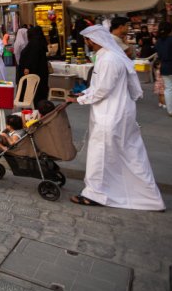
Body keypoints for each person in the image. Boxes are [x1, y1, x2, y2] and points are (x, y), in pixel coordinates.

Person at [67, 25, 165, 210]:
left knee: (102, 154)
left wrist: (80, 99)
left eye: (88, 40)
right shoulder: (109, 56)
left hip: (110, 113)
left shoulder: (109, 59)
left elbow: (103, 89)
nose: (87, 44)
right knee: (128, 154)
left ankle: (96, 194)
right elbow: (100, 86)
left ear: (94, 40)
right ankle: (143, 195)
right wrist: (83, 94)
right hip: (116, 111)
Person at [16, 26, 50, 102]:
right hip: (40, 72)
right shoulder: (39, 42)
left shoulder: (34, 44)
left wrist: (27, 67)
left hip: (32, 73)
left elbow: (32, 58)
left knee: (32, 93)